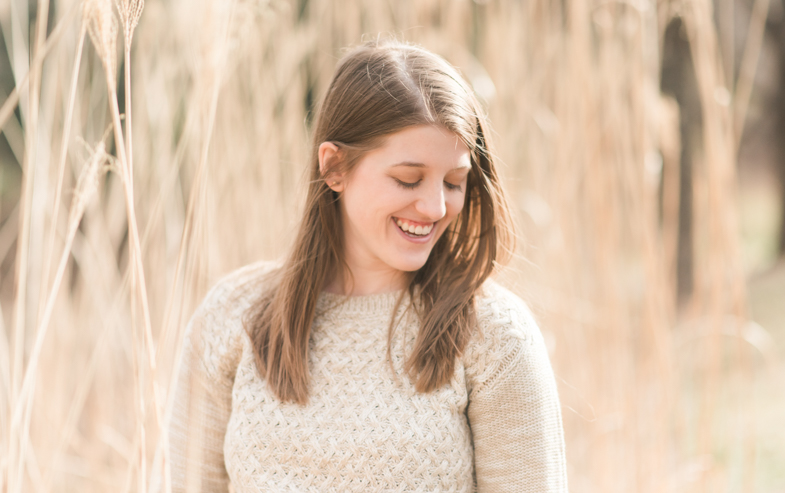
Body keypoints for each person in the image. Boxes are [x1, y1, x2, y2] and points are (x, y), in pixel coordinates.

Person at [165, 39, 568, 492]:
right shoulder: (230, 317)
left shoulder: (495, 336)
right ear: (335, 167)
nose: (435, 207)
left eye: (454, 182)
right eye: (407, 179)